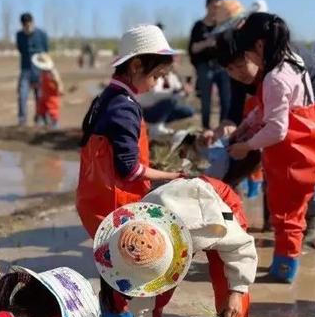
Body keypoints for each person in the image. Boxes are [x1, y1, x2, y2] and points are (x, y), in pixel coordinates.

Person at [93, 182, 257, 317]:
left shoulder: (206, 230)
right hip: (168, 210)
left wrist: (237, 290)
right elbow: (142, 301)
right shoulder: (131, 236)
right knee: (158, 295)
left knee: (230, 301)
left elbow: (242, 247)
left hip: (215, 208)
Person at [218, 13, 315, 283]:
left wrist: (246, 146)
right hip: (308, 146)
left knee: (285, 212)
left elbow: (277, 129)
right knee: (294, 210)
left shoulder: (274, 79)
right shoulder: (292, 63)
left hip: (290, 152)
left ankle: (284, 269)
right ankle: (286, 260)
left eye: (245, 53)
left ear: (259, 46)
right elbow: (267, 110)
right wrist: (245, 126)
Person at [76, 24, 182, 239]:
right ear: (136, 66)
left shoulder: (107, 97)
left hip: (97, 201)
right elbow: (129, 170)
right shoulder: (124, 108)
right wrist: (172, 176)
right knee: (128, 264)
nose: (157, 83)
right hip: (118, 208)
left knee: (111, 265)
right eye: (157, 76)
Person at [188, 0, 232, 129]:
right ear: (207, 6)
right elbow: (193, 48)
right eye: (214, 6)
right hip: (205, 66)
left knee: (226, 100)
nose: (216, 10)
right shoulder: (198, 26)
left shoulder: (223, 26)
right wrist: (207, 43)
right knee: (206, 102)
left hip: (222, 67)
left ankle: (222, 130)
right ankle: (205, 129)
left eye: (219, 7)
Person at [138, 68, 194, 138]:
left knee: (189, 111)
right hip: (147, 110)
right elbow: (155, 94)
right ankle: (157, 126)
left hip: (164, 107)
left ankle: (159, 124)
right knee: (170, 101)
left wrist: (185, 93)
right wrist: (175, 91)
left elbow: (178, 96)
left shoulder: (172, 77)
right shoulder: (154, 76)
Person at [16, 12, 49, 125]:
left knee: (40, 96)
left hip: (39, 71)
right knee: (22, 95)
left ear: (33, 23)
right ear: (22, 25)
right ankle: (22, 120)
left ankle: (40, 118)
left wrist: (45, 70)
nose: (27, 27)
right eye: (25, 25)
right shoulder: (19, 35)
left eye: (29, 24)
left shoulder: (42, 34)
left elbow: (46, 52)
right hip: (25, 70)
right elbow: (21, 50)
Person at [33, 52, 64, 129]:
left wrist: (60, 88)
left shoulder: (52, 72)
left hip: (52, 95)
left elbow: (58, 81)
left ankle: (55, 124)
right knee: (41, 108)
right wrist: (37, 86)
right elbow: (41, 82)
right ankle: (44, 122)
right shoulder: (42, 72)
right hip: (44, 94)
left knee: (53, 109)